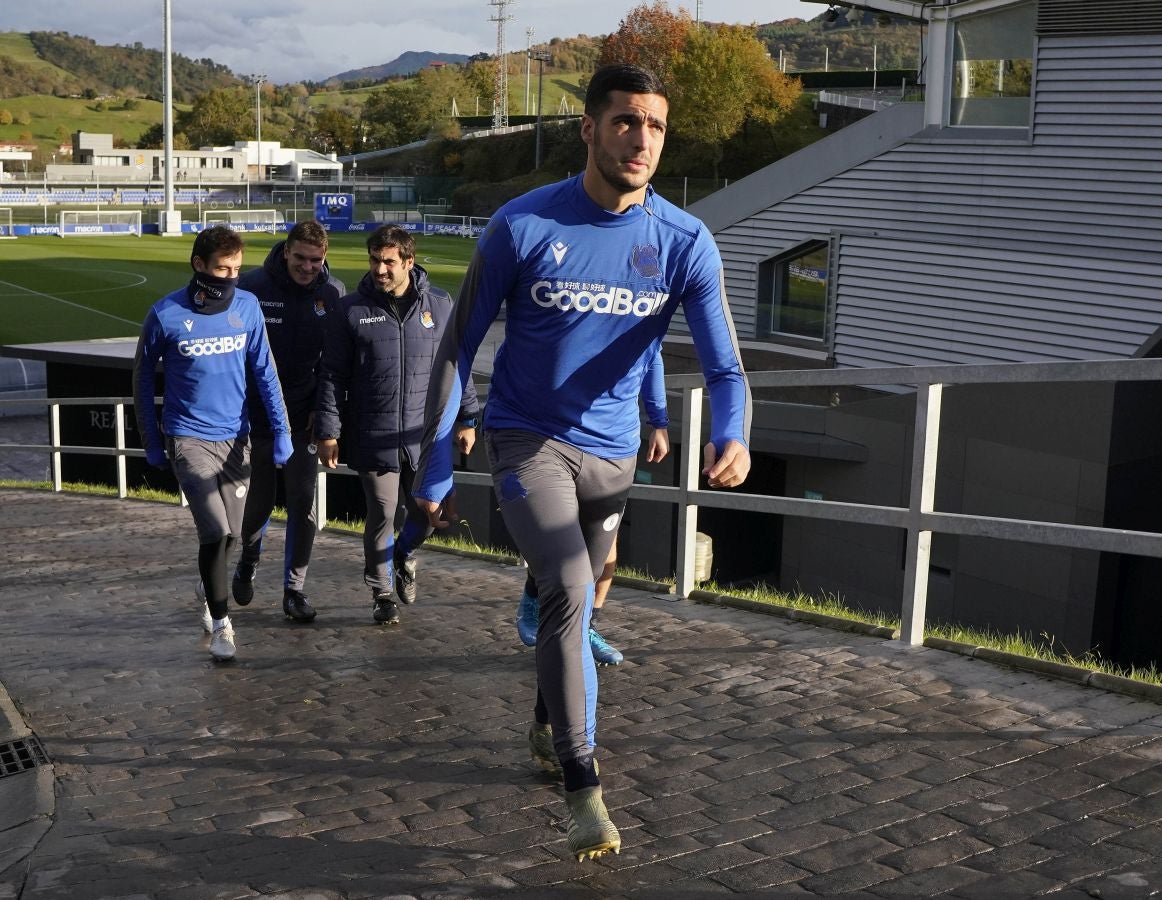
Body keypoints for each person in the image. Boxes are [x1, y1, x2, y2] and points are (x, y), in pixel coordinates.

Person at [413, 64, 751, 862]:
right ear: (590, 129)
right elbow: (457, 347)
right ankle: (583, 787)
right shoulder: (522, 226)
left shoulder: (683, 242)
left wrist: (732, 431)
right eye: (627, 121)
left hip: (615, 456)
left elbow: (727, 366)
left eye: (656, 126)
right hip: (530, 441)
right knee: (567, 589)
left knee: (578, 606)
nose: (642, 138)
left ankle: (543, 718)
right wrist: (434, 465)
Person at [133, 224, 292, 663]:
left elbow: (265, 371)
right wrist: (152, 440)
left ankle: (209, 584)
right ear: (199, 264)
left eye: (238, 269)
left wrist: (281, 430)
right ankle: (222, 624)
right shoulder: (165, 315)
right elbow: (143, 381)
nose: (231, 277)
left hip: (236, 440)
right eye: (223, 268)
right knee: (216, 530)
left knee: (233, 536)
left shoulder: (248, 307)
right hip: (188, 439)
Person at [314, 225, 479, 627]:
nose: (380, 269)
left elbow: (458, 366)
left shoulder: (440, 305)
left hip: (427, 437)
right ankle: (381, 592)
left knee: (428, 514)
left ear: (409, 261)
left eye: (389, 261)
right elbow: (332, 374)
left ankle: (404, 554)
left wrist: (468, 417)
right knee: (383, 513)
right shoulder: (350, 310)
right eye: (374, 260)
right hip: (372, 433)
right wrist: (329, 431)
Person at [515, 349, 671, 665]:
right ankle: (534, 597)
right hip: (555, 435)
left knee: (602, 544)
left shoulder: (646, 302)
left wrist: (659, 421)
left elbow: (652, 355)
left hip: (613, 442)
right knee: (560, 535)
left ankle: (588, 625)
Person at [232, 220, 346, 623]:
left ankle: (294, 590)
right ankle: (248, 557)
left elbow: (334, 362)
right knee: (258, 498)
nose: (307, 267)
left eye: (316, 260)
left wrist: (324, 410)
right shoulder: (251, 288)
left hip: (303, 418)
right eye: (300, 257)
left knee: (303, 501)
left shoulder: (333, 295)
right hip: (257, 417)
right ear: (286, 252)